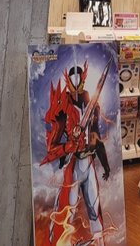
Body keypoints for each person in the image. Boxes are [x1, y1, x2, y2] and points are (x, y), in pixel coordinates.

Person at [41, 61, 111, 245]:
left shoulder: (92, 104)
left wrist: (105, 164)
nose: (76, 80)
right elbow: (52, 147)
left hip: (89, 163)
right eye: (73, 78)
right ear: (68, 80)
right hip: (72, 165)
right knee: (66, 211)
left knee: (95, 210)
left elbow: (96, 137)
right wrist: (67, 147)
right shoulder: (63, 105)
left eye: (79, 77)